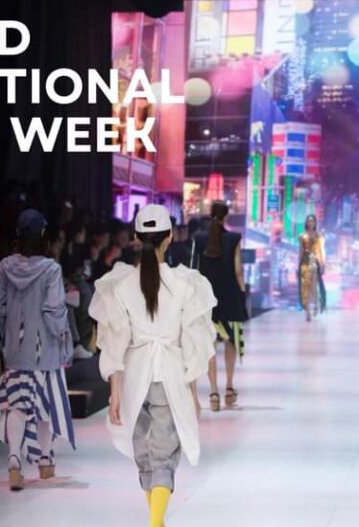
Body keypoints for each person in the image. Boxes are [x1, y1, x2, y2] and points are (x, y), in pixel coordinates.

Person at [90, 205, 217, 527]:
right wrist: (192, 392)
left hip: (134, 378)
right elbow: (192, 343)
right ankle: (155, 523)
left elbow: (114, 341)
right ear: (170, 237)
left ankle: (156, 521)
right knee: (163, 453)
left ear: (136, 237)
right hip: (169, 377)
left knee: (144, 453)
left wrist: (115, 392)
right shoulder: (185, 284)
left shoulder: (120, 285)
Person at [0, 209, 76, 491]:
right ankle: (45, 460)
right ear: (43, 235)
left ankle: (14, 461)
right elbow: (53, 309)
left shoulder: (4, 267)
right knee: (45, 401)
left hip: (16, 345)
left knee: (17, 401)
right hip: (44, 345)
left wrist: (3, 331)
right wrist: (63, 336)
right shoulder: (50, 269)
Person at [192, 202, 248, 411]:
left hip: (207, 299)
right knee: (230, 341)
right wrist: (243, 292)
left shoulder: (199, 239)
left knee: (210, 344)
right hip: (230, 297)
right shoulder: (234, 239)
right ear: (227, 216)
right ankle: (229, 387)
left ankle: (213, 392)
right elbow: (238, 270)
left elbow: (194, 270)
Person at [299, 215, 325, 322]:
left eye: (312, 221)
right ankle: (307, 312)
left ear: (315, 223)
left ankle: (316, 304)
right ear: (306, 222)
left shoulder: (318, 236)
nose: (310, 223)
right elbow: (301, 250)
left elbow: (321, 250)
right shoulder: (302, 236)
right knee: (305, 286)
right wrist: (299, 263)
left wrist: (322, 263)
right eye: (309, 221)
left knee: (313, 287)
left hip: (314, 262)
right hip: (304, 262)